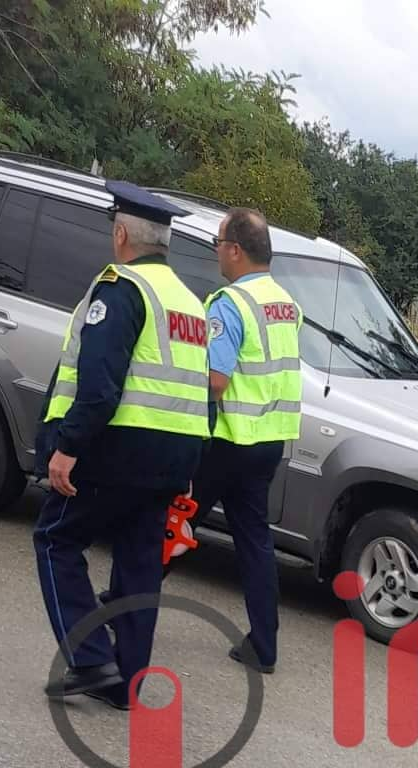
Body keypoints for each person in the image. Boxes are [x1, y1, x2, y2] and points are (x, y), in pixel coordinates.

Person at [35, 184, 210, 708]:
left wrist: (67, 446)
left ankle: (91, 659)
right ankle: (128, 682)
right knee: (137, 564)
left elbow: (99, 383)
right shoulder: (189, 301)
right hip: (175, 454)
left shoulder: (121, 288)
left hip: (119, 449)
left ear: (120, 233)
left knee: (55, 540)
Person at [192, 207, 303, 675]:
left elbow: (216, 380)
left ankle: (125, 607)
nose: (217, 252)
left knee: (173, 523)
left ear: (235, 250)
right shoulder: (286, 305)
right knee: (255, 543)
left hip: (225, 438)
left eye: (218, 244)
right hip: (268, 442)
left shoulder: (229, 305)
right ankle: (264, 645)